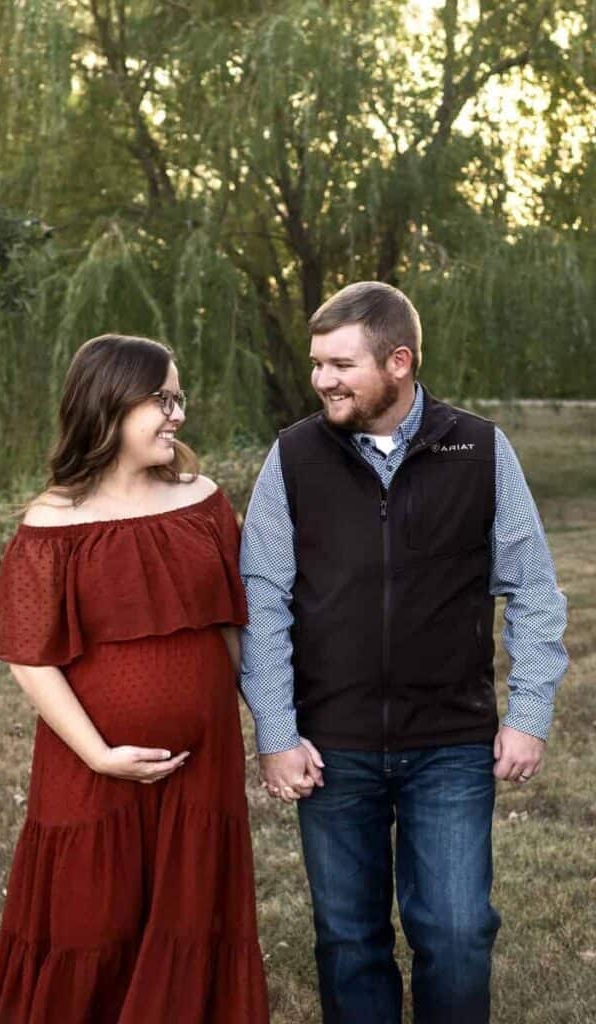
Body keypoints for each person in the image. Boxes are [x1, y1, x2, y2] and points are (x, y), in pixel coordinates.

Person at [239, 282, 568, 1024]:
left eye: (341, 364)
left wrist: (529, 714)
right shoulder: (293, 457)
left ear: (398, 361)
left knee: (456, 933)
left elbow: (533, 590)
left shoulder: (480, 449)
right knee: (348, 939)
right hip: (332, 746)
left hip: (450, 742)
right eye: (317, 363)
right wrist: (276, 732)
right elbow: (262, 603)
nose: (322, 379)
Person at [0, 334, 269, 1024]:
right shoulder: (52, 523)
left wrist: (256, 724)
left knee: (192, 915)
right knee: (90, 920)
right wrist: (100, 755)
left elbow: (235, 626)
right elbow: (31, 658)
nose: (177, 414)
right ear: (108, 404)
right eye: (161, 399)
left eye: (178, 398)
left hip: (203, 767)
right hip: (91, 766)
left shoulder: (203, 502)